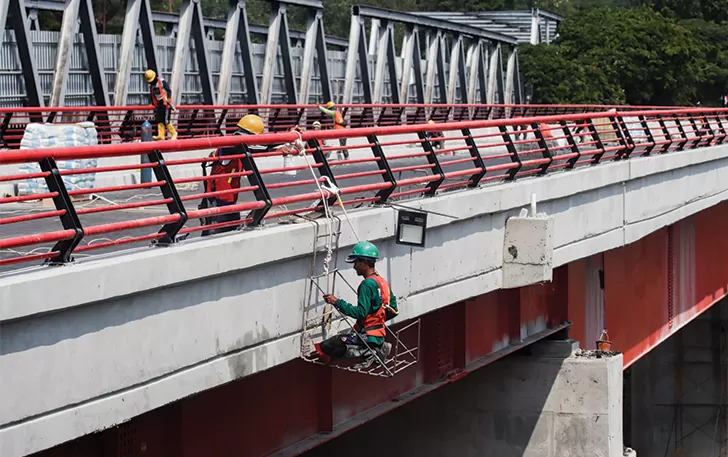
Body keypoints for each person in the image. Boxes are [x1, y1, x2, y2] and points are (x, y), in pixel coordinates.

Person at [200, 114, 291, 236]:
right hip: (217, 202)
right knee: (214, 236)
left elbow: (259, 146)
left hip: (228, 201)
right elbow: (255, 148)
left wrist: (286, 139)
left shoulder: (236, 144)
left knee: (231, 234)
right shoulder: (230, 145)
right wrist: (275, 149)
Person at [316, 241, 396, 370]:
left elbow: (360, 312)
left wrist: (337, 302)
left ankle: (370, 351)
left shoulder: (366, 285)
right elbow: (393, 310)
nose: (354, 267)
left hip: (369, 337)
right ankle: (376, 347)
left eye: (356, 262)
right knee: (346, 339)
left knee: (327, 346)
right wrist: (369, 323)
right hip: (379, 334)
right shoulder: (382, 282)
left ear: (365, 263)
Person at [144, 69, 177, 141]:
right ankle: (161, 135)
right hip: (158, 104)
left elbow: (168, 90)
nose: (151, 83)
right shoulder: (152, 86)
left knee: (166, 120)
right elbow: (152, 95)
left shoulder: (161, 81)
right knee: (159, 120)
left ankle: (174, 133)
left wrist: (168, 99)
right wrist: (151, 103)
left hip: (165, 103)